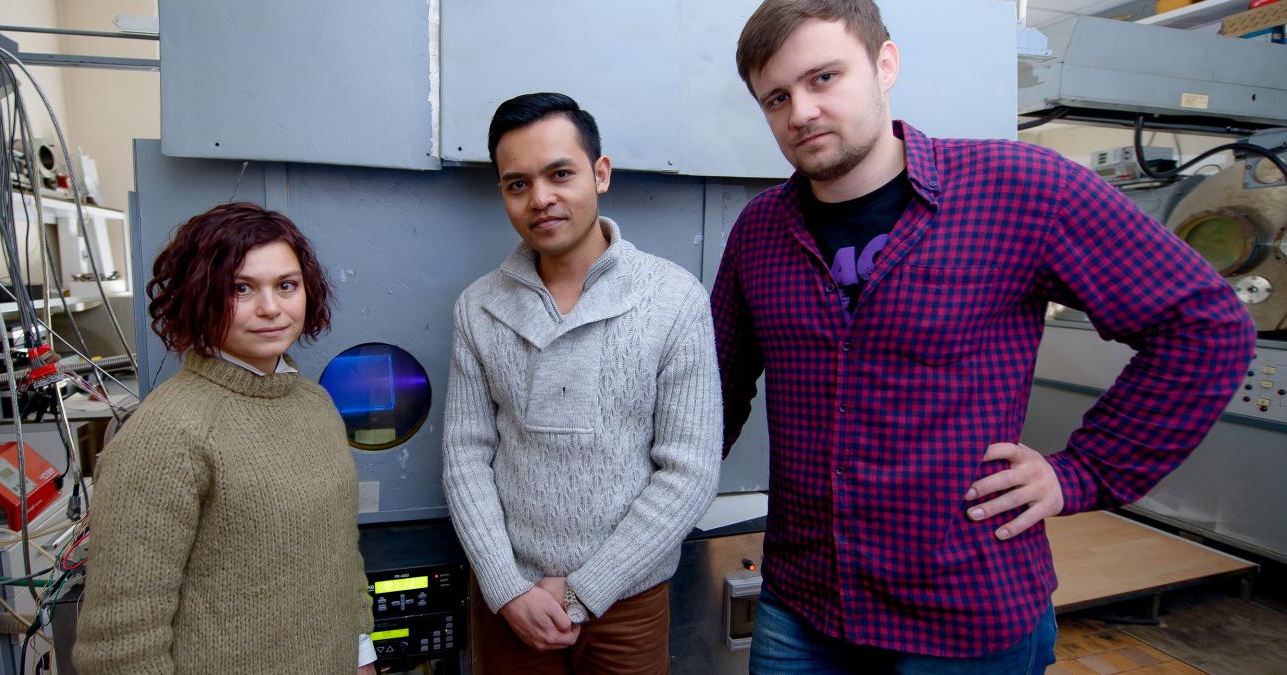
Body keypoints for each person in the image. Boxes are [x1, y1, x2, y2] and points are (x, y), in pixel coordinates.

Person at [711, 1, 1257, 672]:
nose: (801, 112)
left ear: (885, 64)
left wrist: (1083, 470)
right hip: (805, 611)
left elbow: (1206, 326)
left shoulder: (1022, 190)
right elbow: (713, 395)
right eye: (777, 97)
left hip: (966, 616)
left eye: (824, 78)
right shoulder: (760, 232)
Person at [441, 92, 722, 674]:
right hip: (510, 602)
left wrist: (586, 589)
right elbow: (466, 456)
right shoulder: (479, 307)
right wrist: (505, 586)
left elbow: (689, 469)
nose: (540, 198)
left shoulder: (673, 300)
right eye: (517, 184)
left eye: (560, 174)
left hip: (628, 602)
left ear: (601, 174)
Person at [73, 203, 377, 674]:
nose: (271, 308)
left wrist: (361, 655)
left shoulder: (314, 404)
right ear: (199, 296)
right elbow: (120, 644)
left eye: (286, 285)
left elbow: (339, 555)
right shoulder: (166, 434)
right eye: (241, 288)